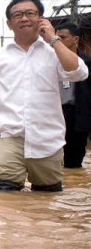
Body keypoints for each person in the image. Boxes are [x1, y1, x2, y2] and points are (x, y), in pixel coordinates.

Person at [0, 0, 88, 191]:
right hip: (9, 137)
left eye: (30, 13)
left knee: (46, 201)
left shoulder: (53, 52)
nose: (24, 18)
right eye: (18, 14)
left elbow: (79, 72)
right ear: (9, 23)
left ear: (41, 19)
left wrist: (54, 39)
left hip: (47, 139)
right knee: (4, 196)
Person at [55, 23, 91, 168]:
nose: (58, 41)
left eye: (62, 37)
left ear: (75, 39)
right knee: (50, 159)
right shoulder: (48, 61)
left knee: (74, 162)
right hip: (54, 114)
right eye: (56, 37)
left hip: (78, 114)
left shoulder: (87, 63)